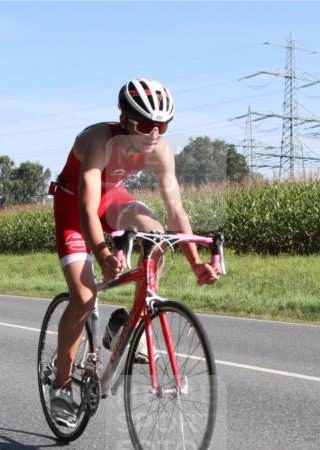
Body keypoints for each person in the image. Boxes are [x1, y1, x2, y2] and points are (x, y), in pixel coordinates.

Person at [47, 77, 220, 427]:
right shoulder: (97, 140)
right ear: (124, 119)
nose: (154, 133)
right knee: (83, 296)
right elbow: (85, 202)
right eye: (145, 124)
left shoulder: (160, 151)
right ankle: (62, 385)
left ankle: (126, 324)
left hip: (112, 200)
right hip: (73, 206)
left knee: (156, 231)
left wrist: (195, 261)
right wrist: (102, 253)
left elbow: (176, 211)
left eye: (163, 125)